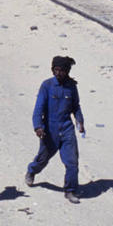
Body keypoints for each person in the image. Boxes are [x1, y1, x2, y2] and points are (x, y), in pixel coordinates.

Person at [25, 56, 85, 204]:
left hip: (66, 128)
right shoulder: (46, 86)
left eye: (61, 71)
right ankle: (32, 171)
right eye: (55, 70)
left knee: (72, 162)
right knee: (43, 159)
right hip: (50, 129)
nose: (58, 73)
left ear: (67, 71)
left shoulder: (72, 86)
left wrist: (80, 121)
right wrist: (38, 126)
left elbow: (76, 106)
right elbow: (38, 108)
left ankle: (70, 190)